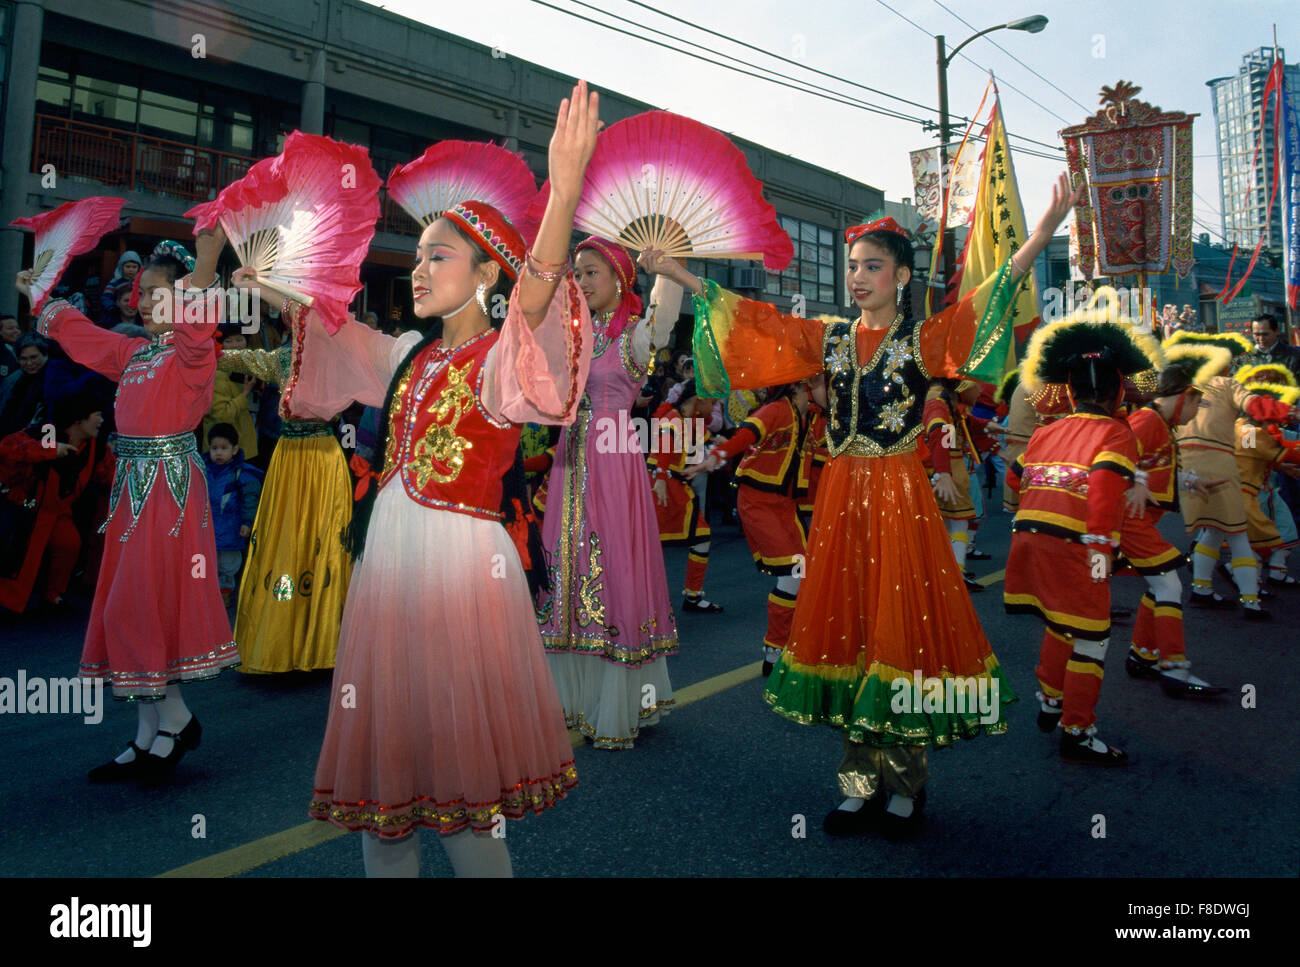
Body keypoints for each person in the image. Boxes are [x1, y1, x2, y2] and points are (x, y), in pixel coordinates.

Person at [644, 173, 1080, 837]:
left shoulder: (925, 339)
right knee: (847, 630)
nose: (857, 277)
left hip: (901, 496)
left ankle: (905, 787)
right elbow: (757, 322)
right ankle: (855, 782)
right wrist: (683, 273)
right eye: (852, 267)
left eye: (871, 266)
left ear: (902, 275)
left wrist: (1043, 233)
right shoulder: (831, 339)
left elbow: (985, 300)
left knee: (896, 635)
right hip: (842, 496)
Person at [246, 82, 599, 877]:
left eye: (439, 254)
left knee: (467, 810)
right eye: (416, 255)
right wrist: (261, 279)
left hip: (460, 574)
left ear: (485, 273)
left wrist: (565, 185)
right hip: (389, 575)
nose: (417, 267)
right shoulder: (411, 354)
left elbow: (536, 294)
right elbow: (336, 331)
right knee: (387, 802)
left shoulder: (503, 359)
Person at [16, 233, 237, 782]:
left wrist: (206, 260)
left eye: (156, 293)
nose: (141, 301)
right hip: (131, 489)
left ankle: (178, 719)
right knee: (137, 606)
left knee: (135, 604)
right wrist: (39, 295)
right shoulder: (136, 352)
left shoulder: (195, 355)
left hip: (168, 491)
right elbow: (83, 337)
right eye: (140, 292)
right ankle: (149, 734)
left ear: (181, 298)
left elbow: (198, 324)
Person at [535, 236, 682, 749]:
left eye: (592, 272)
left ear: (620, 281)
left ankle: (617, 702)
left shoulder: (636, 337)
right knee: (565, 563)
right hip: (569, 460)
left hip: (614, 459)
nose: (582, 281)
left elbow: (665, 314)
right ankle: (573, 702)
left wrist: (666, 266)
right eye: (577, 273)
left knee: (612, 565)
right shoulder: (577, 336)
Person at [1005, 315, 1155, 764]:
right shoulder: (1116, 432)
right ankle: (1078, 730)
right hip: (1078, 544)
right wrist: (1100, 557)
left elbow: (1015, 481)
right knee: (1092, 637)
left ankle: (1050, 700)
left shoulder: (1047, 430)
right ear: (1119, 393)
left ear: (1069, 391)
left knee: (1058, 622)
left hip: (1030, 539)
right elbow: (1105, 498)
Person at [215, 327, 354, 673]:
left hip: (322, 458)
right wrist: (190, 338)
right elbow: (226, 357)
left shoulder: (343, 356)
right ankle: (280, 641)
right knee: (285, 541)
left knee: (324, 540)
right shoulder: (282, 357)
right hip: (289, 457)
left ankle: (325, 642)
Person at [685, 377, 827, 676]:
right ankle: (774, 653)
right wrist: (715, 457)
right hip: (759, 501)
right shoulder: (778, 409)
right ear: (803, 386)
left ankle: (784, 647)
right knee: (791, 571)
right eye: (821, 381)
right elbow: (748, 433)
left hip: (785, 504)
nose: (827, 387)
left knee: (801, 572)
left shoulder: (810, 414)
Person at [1167, 333, 1297, 618]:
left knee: (1213, 531)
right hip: (1222, 470)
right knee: (1239, 537)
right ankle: (1251, 601)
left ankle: (1201, 589)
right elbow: (1258, 415)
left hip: (1186, 468)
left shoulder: (1182, 388)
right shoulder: (1228, 387)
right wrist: (1288, 412)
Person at [1119, 363, 1227, 697]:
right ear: (1182, 395)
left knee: (1160, 584)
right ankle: (1174, 668)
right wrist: (1135, 481)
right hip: (1129, 521)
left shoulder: (1159, 423)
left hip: (1135, 520)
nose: (1195, 414)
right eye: (1196, 403)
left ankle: (1143, 655)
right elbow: (1116, 456)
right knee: (1169, 582)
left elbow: (1155, 467)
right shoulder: (1148, 421)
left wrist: (1193, 482)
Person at [0, 393, 109, 612]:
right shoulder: (48, 432)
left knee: (69, 544)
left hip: (58, 510)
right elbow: (7, 446)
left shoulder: (95, 448)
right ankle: (8, 603)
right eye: (97, 415)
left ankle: (53, 596)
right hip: (28, 507)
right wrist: (50, 450)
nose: (102, 420)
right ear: (79, 418)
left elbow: (110, 473)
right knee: (23, 553)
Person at [649, 381, 725, 611]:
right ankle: (645, 600)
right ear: (698, 400)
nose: (713, 408)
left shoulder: (689, 421)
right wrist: (661, 479)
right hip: (663, 487)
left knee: (700, 535)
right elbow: (664, 448)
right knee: (649, 545)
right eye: (711, 402)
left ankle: (692, 596)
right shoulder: (672, 418)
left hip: (675, 486)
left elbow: (704, 443)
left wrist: (720, 444)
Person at [202, 422, 263, 610]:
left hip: (231, 532)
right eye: (214, 448)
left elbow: (250, 500)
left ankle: (225, 596)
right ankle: (203, 593)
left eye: (223, 448)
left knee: (228, 566)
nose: (218, 453)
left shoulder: (242, 474)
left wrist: (247, 522)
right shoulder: (203, 470)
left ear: (235, 449)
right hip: (206, 532)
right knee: (203, 564)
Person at [201, 324, 259, 462]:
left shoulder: (247, 367)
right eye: (229, 341)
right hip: (223, 453)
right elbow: (222, 415)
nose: (235, 345)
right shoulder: (217, 372)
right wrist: (245, 394)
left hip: (243, 445)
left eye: (239, 339)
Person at [1236, 314, 1300, 381]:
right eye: (1257, 334)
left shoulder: (1295, 355)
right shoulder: (1243, 358)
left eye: (1265, 334)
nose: (1261, 338)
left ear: (1277, 331)